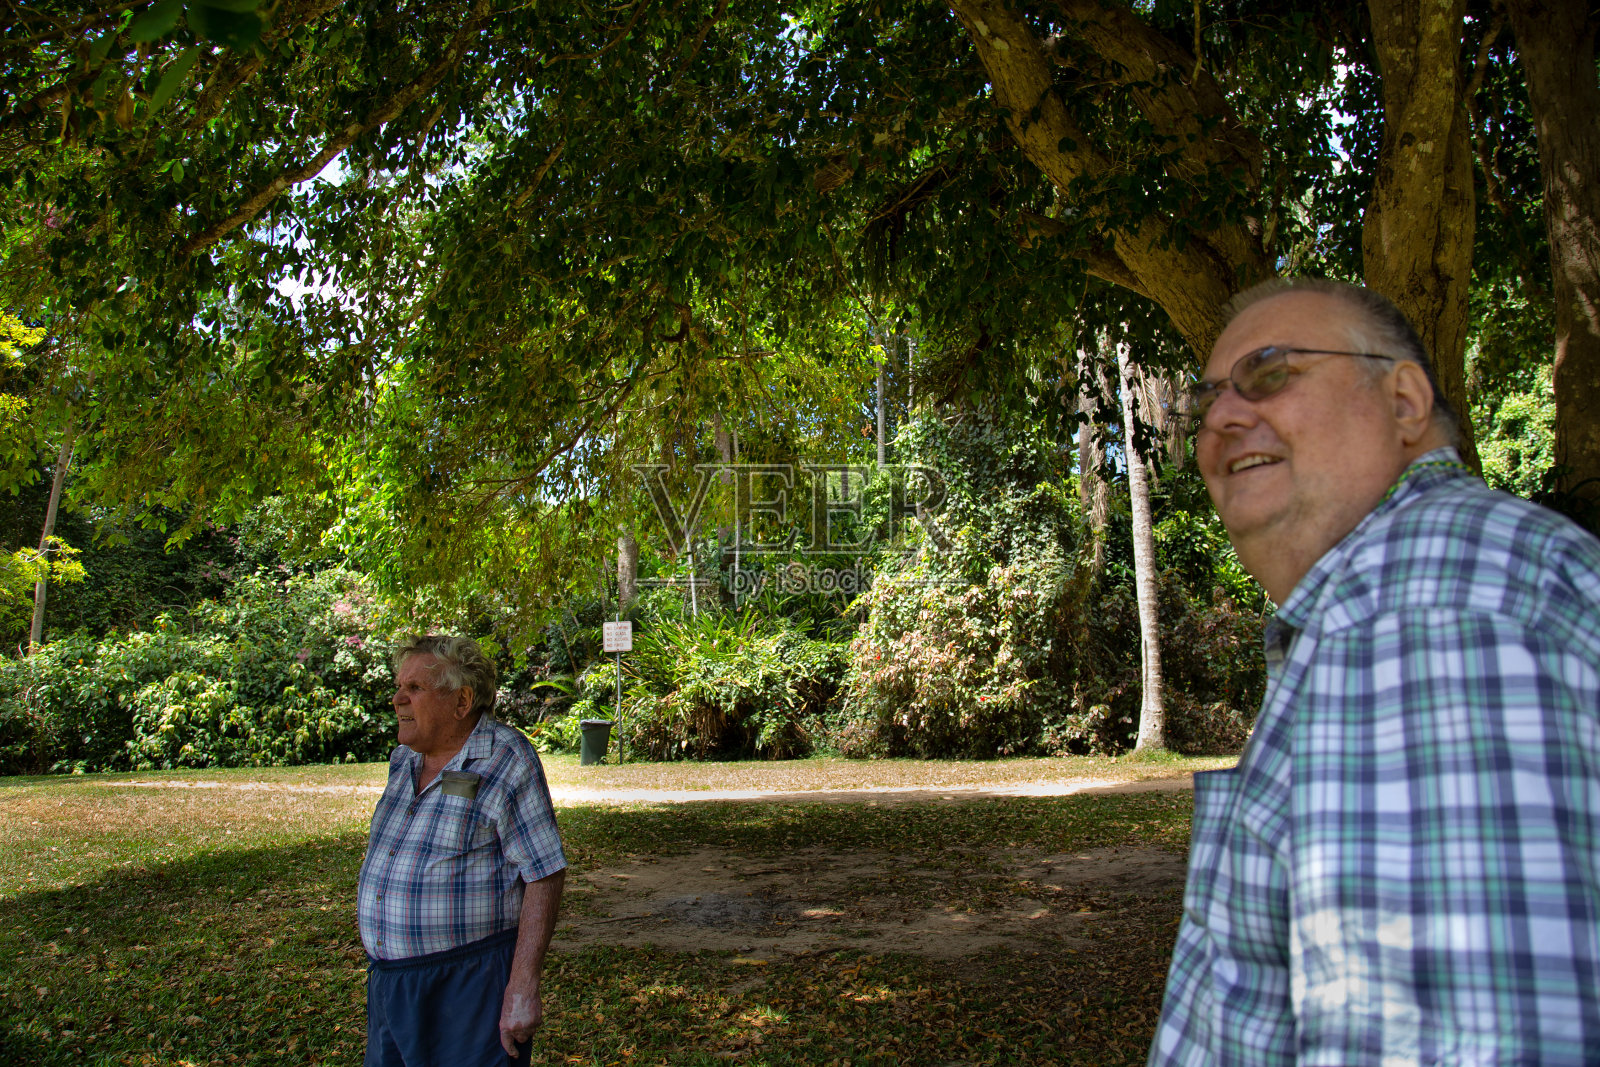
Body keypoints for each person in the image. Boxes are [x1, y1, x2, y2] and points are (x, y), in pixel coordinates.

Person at [1149, 278, 1600, 1064]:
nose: (1221, 417)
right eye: (1208, 399)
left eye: (1271, 372)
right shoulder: (1430, 584)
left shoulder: (1415, 607)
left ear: (1403, 402)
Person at [359, 634, 567, 1066]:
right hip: (390, 984)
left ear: (461, 700)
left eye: (414, 689)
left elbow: (544, 872)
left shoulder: (506, 757)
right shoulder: (405, 759)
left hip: (469, 982)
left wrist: (523, 984)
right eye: (399, 687)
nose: (398, 699)